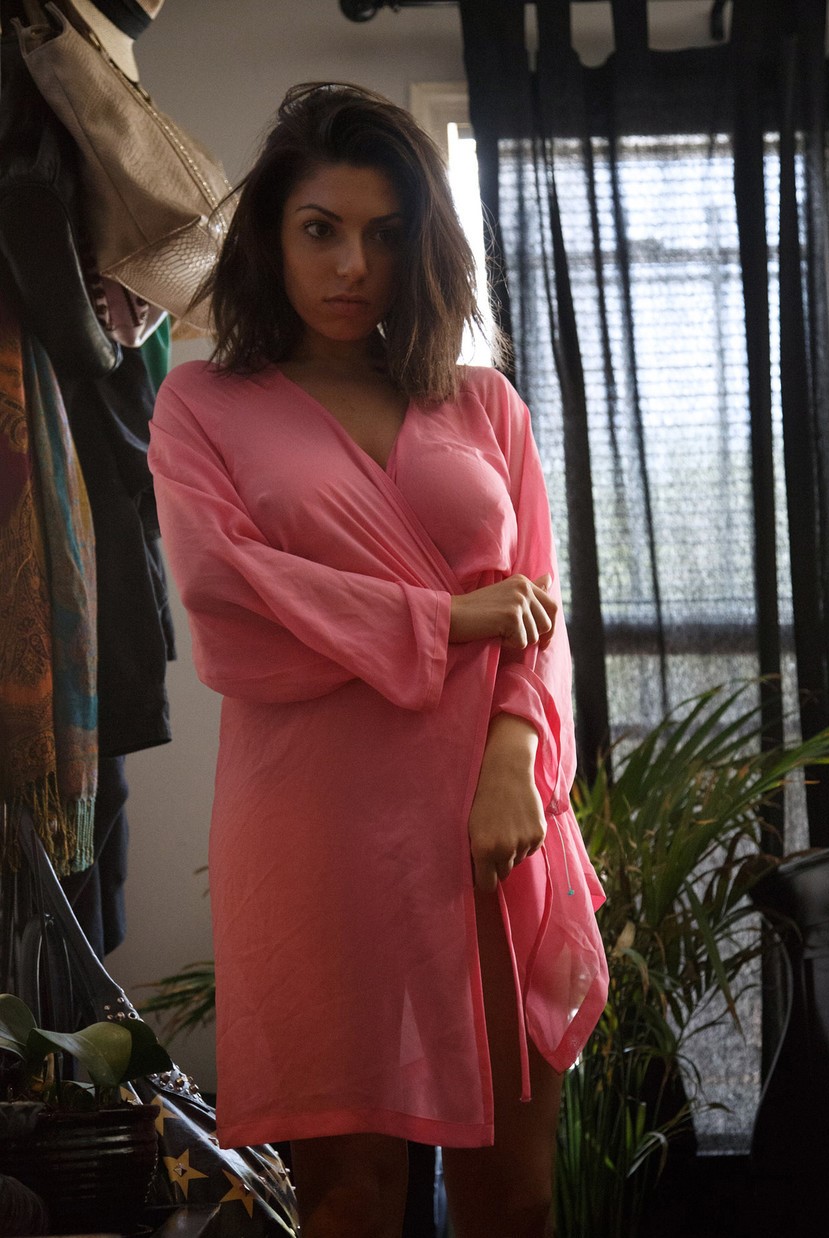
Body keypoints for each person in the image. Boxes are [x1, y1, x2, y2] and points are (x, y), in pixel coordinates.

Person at [148, 82, 608, 1238]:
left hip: (490, 827)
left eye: (386, 234)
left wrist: (514, 755)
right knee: (351, 1198)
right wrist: (450, 617)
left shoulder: (484, 404)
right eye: (322, 229)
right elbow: (232, 599)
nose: (354, 265)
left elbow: (538, 601)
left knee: (517, 1195)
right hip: (316, 830)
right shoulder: (202, 403)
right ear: (271, 236)